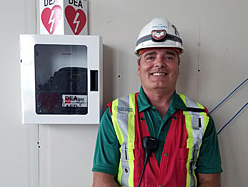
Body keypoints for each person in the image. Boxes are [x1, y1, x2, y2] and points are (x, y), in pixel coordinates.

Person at [92, 17, 222, 187]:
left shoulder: (201, 117)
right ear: (139, 68)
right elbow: (102, 179)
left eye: (169, 57)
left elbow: (210, 180)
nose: (159, 63)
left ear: (178, 67)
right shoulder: (114, 114)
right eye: (150, 57)